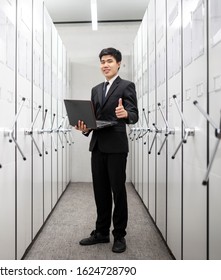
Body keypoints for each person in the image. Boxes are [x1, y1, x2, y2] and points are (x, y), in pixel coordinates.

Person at [75, 47, 138, 253]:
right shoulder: (95, 89)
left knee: (118, 191)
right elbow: (93, 118)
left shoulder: (127, 86)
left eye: (110, 61)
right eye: (102, 61)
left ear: (119, 63)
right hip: (98, 145)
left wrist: (125, 113)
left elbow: (134, 115)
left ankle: (119, 235)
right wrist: (84, 127)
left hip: (117, 146)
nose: (105, 65)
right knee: (100, 192)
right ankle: (101, 232)